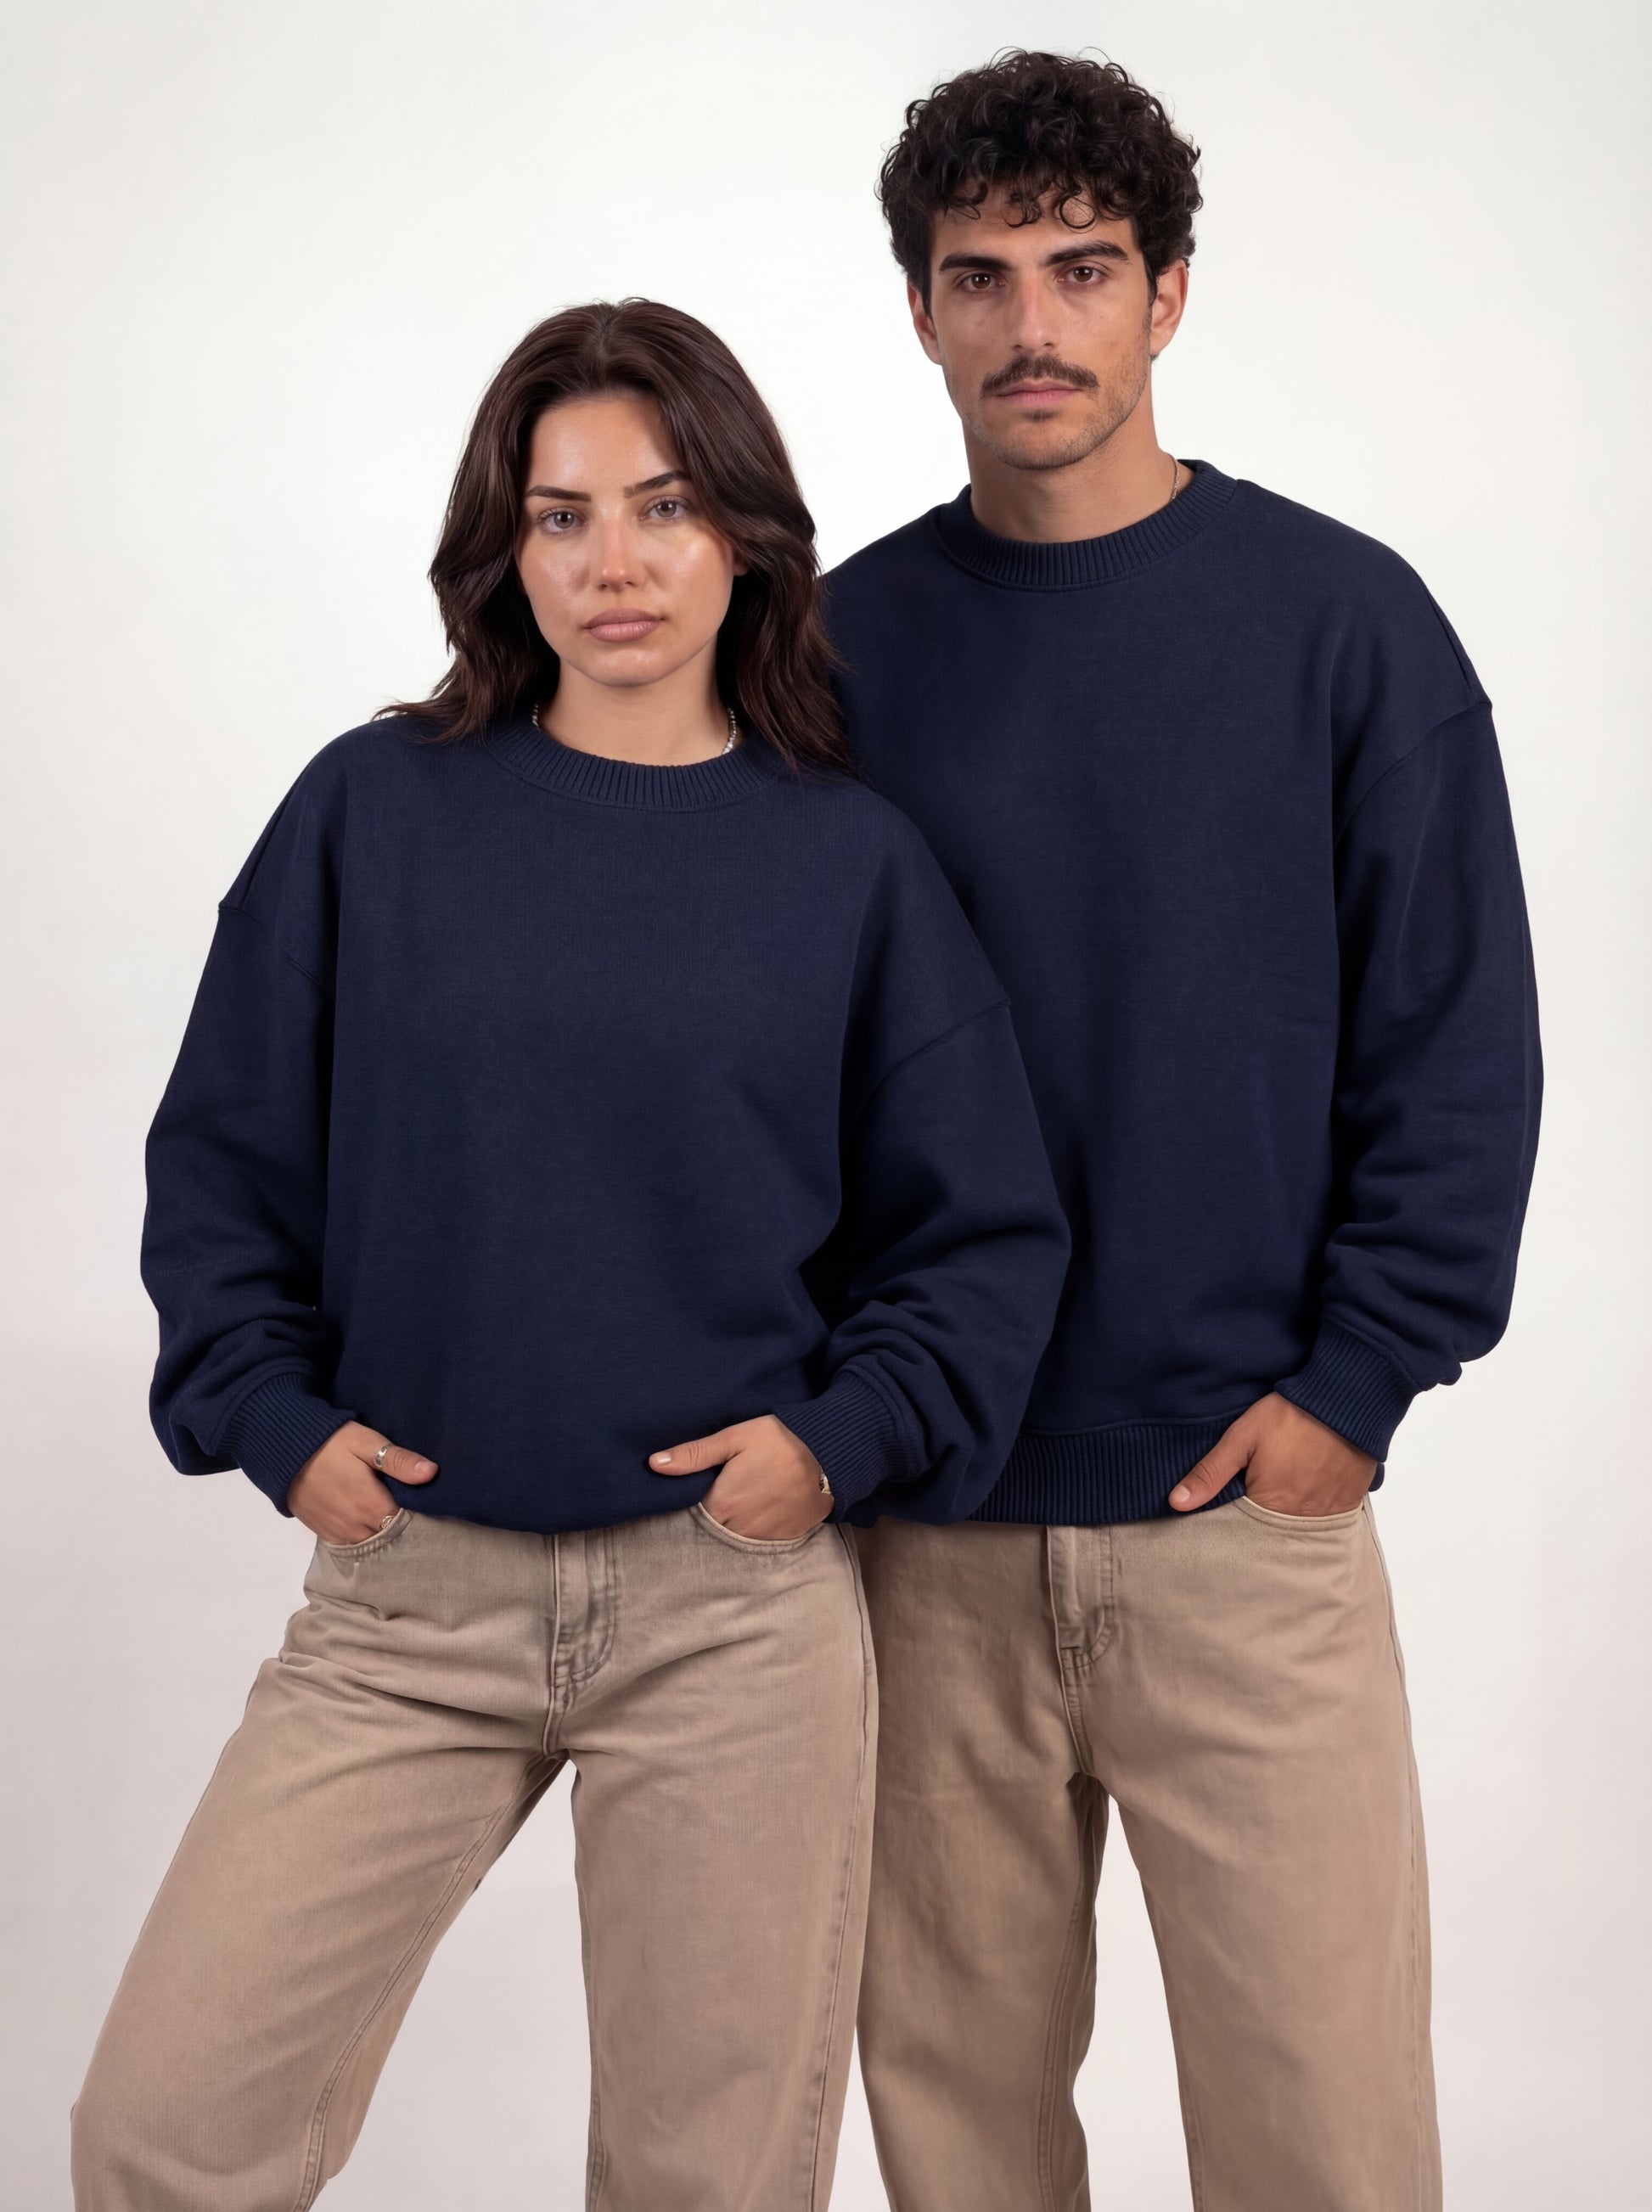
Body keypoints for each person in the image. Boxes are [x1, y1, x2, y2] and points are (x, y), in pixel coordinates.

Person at [70, 299, 1070, 2212]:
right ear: (505, 550)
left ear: (744, 538)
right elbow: (221, 1163)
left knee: (707, 2181)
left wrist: (833, 1447)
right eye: (562, 515)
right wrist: (275, 1421)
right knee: (161, 2131)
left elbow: (979, 1235)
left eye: (666, 506)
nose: (616, 562)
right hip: (406, 1602)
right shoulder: (372, 812)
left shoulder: (847, 865)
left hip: (731, 1615)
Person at [829, 52, 1541, 2212]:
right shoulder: (836, 653)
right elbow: (748, 1047)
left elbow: (1455, 1041)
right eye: (980, 277)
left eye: (1082, 268)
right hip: (922, 1532)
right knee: (957, 2140)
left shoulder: (1342, 624)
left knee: (1324, 2141)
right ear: (919, 309)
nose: (1031, 324)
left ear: (1168, 295)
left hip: (1247, 1512)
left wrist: (1353, 1388)